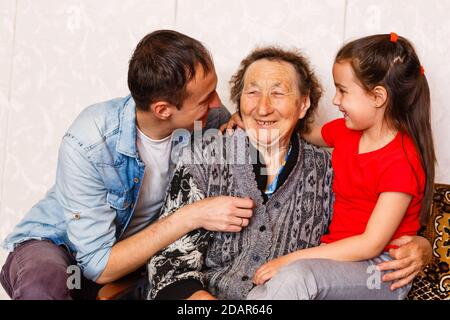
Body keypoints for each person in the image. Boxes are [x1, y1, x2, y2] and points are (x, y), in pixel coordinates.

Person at [146, 46, 431, 300]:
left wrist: (422, 244)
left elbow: (369, 233)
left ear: (303, 104)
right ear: (240, 102)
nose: (263, 106)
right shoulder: (206, 157)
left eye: (278, 93)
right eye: (253, 92)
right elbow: (169, 265)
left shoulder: (326, 171)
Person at [0, 30, 256, 300]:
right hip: (63, 246)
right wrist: (192, 215)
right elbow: (98, 265)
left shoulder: (209, 119)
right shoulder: (89, 141)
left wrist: (243, 127)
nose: (218, 103)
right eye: (206, 99)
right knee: (43, 286)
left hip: (134, 259)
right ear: (163, 110)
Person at [246, 33, 435, 300]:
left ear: (378, 97)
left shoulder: (401, 160)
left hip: (381, 270)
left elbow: (370, 244)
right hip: (339, 258)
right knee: (267, 287)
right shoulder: (346, 132)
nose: (335, 101)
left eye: (343, 91)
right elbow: (300, 128)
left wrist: (290, 259)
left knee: (296, 276)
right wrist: (251, 117)